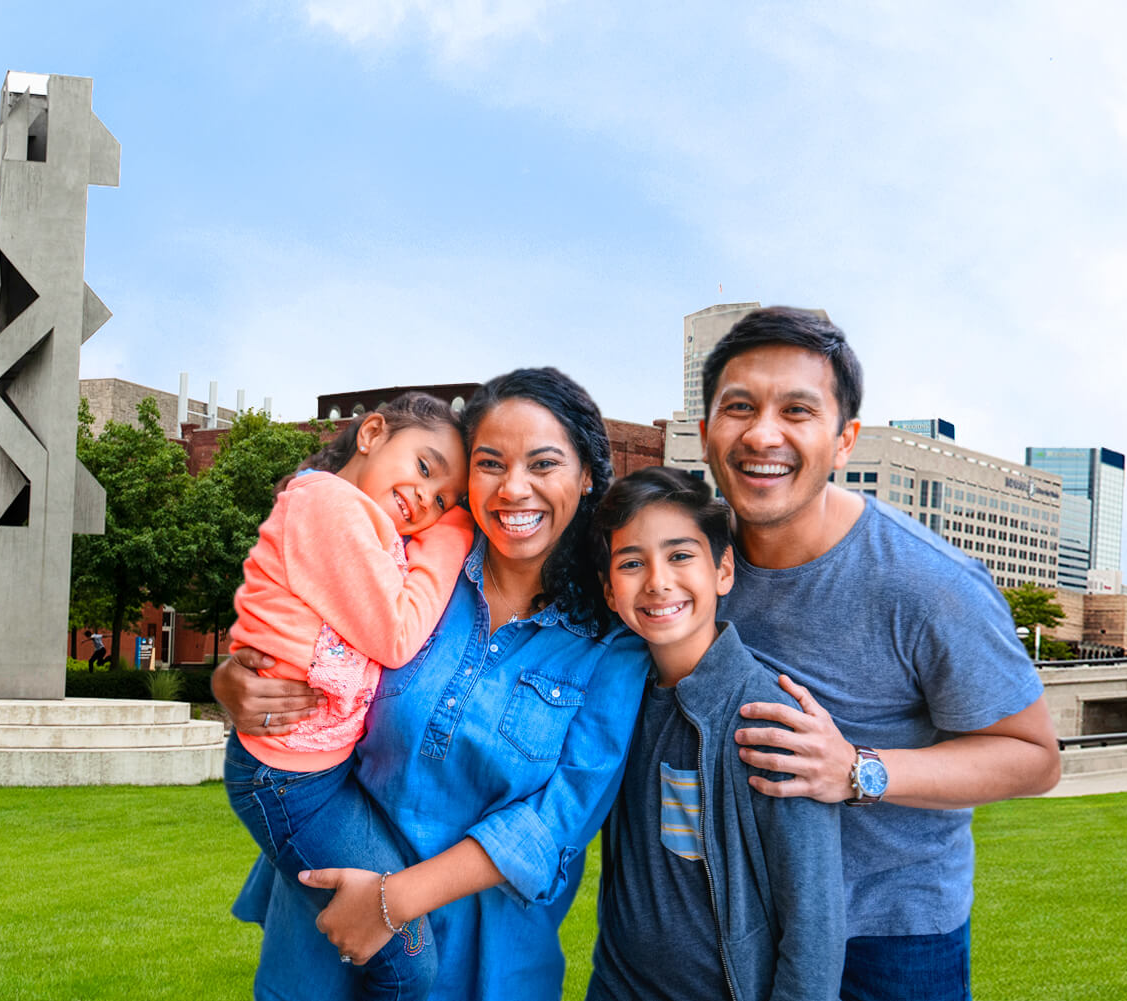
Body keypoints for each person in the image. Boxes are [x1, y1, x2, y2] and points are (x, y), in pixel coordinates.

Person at [215, 368, 651, 1000]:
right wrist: (235, 679)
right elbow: (291, 630)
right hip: (322, 928)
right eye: (491, 463)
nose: (515, 488)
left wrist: (394, 900)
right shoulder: (406, 566)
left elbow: (555, 819)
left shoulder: (610, 639)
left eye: (545, 463)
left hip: (482, 957)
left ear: (586, 476)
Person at [695, 307, 1061, 1001]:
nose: (762, 433)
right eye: (738, 406)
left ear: (844, 441)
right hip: (734, 920)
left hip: (891, 937)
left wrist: (858, 770)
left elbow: (1036, 756)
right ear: (708, 430)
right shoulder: (684, 565)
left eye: (796, 409)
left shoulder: (927, 581)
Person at [221, 392, 472, 997]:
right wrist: (455, 530)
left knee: (397, 948)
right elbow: (395, 633)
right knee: (409, 964)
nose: (426, 500)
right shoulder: (330, 505)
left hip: (312, 773)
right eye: (423, 466)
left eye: (442, 500)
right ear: (372, 433)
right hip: (291, 780)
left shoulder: (367, 526)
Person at [586, 466, 844, 1000]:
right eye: (632, 563)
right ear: (610, 591)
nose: (658, 580)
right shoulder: (615, 700)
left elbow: (815, 921)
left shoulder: (768, 717)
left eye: (680, 555)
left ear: (723, 570)